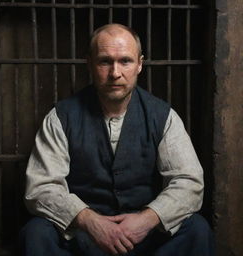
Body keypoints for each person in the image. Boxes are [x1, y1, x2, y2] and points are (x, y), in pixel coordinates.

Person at [20, 24, 214, 256]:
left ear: (140, 64)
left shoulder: (163, 117)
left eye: (125, 61)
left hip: (143, 237)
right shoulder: (61, 117)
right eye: (104, 61)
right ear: (89, 64)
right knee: (36, 233)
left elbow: (189, 182)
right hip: (85, 238)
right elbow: (41, 187)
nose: (115, 73)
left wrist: (148, 219)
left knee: (197, 230)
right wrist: (89, 221)